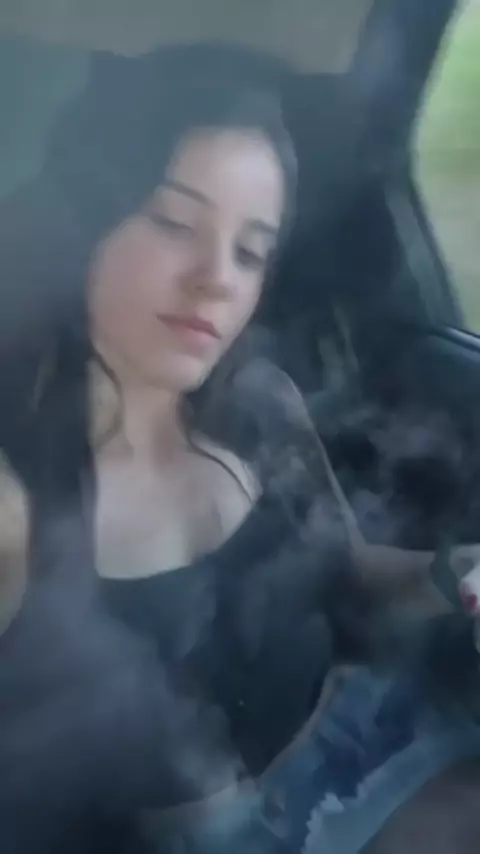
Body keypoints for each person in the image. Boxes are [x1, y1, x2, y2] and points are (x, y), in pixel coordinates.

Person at [1, 44, 480, 854]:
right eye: (174, 223)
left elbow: (352, 579)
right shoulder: (16, 498)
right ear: (88, 215)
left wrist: (456, 573)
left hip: (376, 745)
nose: (217, 278)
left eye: (251, 250)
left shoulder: (261, 403)